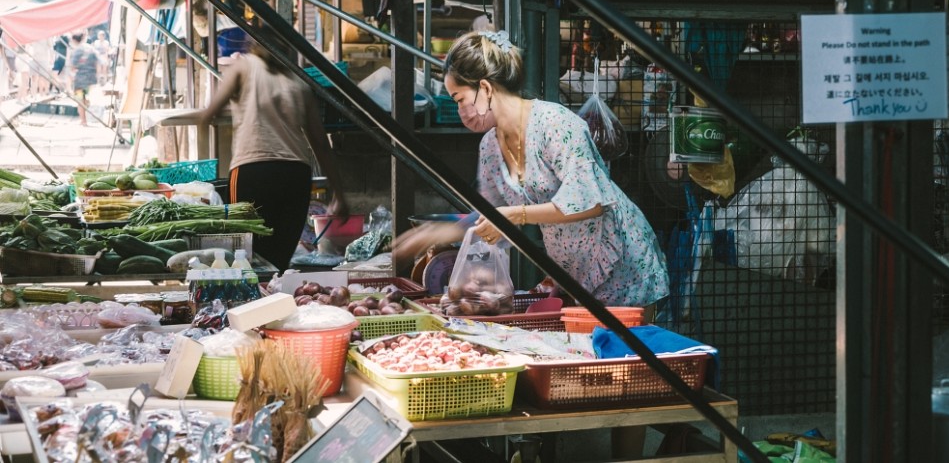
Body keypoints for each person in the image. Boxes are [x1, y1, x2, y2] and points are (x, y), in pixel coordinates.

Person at [392, 29, 670, 459]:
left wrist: (517, 216)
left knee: (625, 380)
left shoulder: (557, 124)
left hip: (623, 259)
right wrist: (440, 230)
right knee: (587, 374)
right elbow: (489, 216)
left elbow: (589, 202)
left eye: (460, 99)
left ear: (484, 89)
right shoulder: (490, 146)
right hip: (572, 270)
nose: (459, 110)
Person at [200, 35, 348, 271]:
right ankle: (275, 301)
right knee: (278, 258)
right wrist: (340, 194)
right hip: (295, 174)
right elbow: (320, 143)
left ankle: (251, 304)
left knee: (246, 253)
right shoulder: (299, 81)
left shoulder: (244, 67)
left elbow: (210, 112)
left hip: (253, 169)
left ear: (255, 46)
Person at [68, 32, 98, 126]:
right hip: (91, 78)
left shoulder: (77, 50)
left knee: (79, 99)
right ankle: (86, 117)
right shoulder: (91, 48)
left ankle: (83, 120)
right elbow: (98, 62)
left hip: (80, 78)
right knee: (85, 97)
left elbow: (72, 65)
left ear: (74, 40)